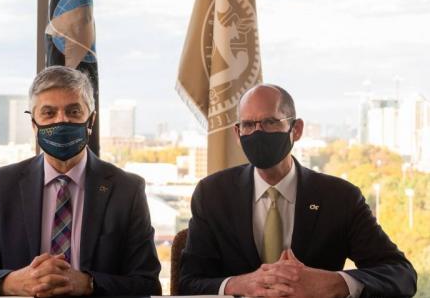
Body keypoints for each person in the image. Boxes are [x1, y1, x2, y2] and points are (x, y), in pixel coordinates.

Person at [178, 84, 417, 297]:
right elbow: (189, 283)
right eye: (249, 125)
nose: (258, 132)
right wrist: (241, 285)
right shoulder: (212, 194)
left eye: (270, 122)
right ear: (237, 134)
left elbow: (401, 275)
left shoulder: (339, 198)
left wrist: (336, 283)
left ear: (297, 129)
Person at [0, 66, 161, 296]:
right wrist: (15, 282)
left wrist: (88, 284)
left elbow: (148, 284)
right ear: (33, 123)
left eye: (73, 111)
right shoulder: (1, 185)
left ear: (91, 120)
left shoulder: (126, 189)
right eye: (49, 113)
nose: (62, 121)